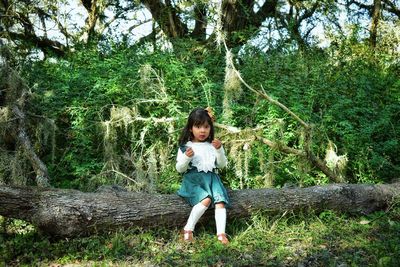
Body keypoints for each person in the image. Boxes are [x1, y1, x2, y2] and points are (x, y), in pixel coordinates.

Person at [176, 107, 230, 245]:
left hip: (212, 179)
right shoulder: (186, 146)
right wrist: (186, 158)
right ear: (190, 128)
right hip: (194, 181)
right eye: (198, 126)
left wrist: (219, 150)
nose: (202, 130)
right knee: (205, 200)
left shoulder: (212, 146)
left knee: (220, 202)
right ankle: (188, 229)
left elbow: (222, 165)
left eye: (206, 127)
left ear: (210, 128)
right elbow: (180, 169)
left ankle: (221, 234)